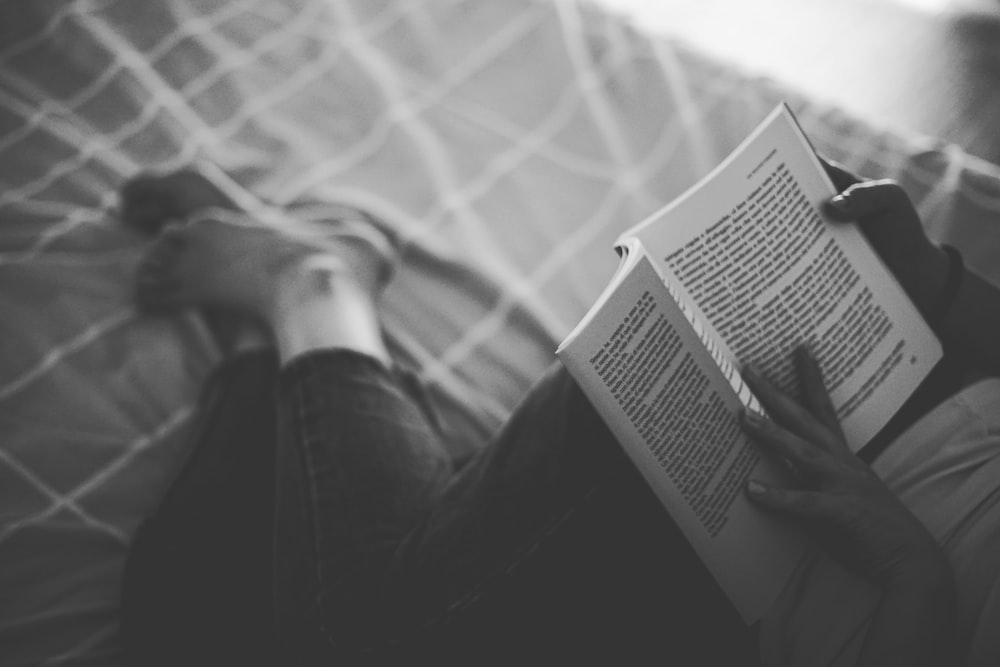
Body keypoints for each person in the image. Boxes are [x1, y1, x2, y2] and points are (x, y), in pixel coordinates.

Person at [118, 161, 991, 666]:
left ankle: (263, 348)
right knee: (361, 638)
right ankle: (313, 293)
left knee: (200, 628)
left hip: (823, 531)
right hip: (812, 464)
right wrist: (936, 283)